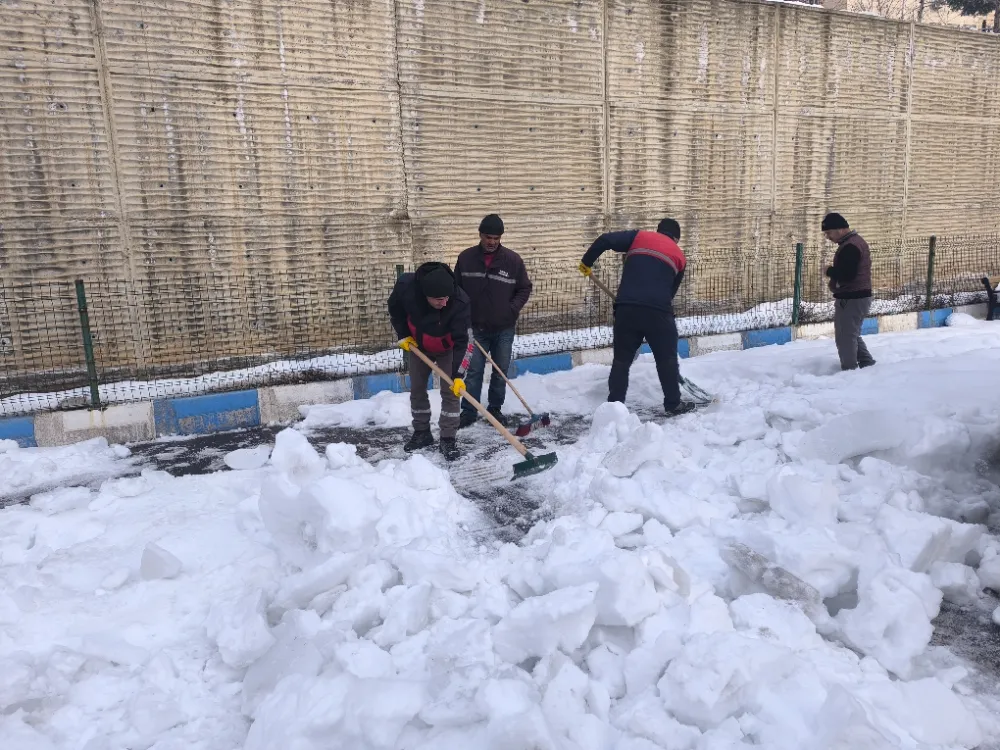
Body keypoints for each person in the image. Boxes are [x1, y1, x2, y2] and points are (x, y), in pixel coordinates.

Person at [578, 218, 695, 417]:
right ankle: (673, 404)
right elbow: (670, 293)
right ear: (676, 238)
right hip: (658, 312)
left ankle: (614, 406)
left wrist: (586, 263)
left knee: (622, 360)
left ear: (658, 230)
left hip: (626, 308)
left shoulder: (638, 237)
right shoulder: (679, 256)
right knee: (666, 359)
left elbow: (605, 240)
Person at [388, 262, 474, 460]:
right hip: (419, 346)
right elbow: (395, 307)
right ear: (425, 295)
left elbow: (466, 342)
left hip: (448, 348)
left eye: (446, 298)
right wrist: (402, 334)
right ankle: (422, 433)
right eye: (438, 300)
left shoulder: (460, 301)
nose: (444, 303)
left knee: (451, 392)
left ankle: (448, 439)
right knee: (417, 389)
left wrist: (459, 375)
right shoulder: (406, 288)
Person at [454, 214, 533, 428]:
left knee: (500, 371)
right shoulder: (466, 258)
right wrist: (462, 316)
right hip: (475, 329)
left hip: (503, 329)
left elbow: (524, 288)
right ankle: (469, 411)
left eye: (496, 238)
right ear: (480, 235)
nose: (492, 242)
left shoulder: (513, 260)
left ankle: (495, 408)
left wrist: (512, 309)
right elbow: (456, 290)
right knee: (474, 371)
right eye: (488, 237)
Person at [822, 212, 876, 371]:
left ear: (839, 229)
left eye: (828, 233)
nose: (827, 237)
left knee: (845, 337)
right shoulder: (854, 243)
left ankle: (850, 372)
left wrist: (829, 271)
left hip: (852, 298)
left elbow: (848, 275)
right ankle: (867, 364)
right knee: (851, 334)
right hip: (857, 296)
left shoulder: (850, 246)